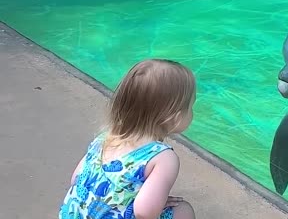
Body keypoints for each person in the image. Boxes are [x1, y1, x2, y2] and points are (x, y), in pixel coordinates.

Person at [59, 58, 197, 219]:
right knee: (183, 211)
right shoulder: (163, 158)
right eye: (190, 106)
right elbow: (144, 213)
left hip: (71, 215)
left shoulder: (105, 139)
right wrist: (156, 204)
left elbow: (75, 179)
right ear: (174, 117)